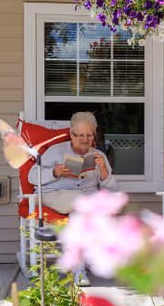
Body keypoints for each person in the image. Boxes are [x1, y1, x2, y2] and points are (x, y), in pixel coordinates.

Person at [28, 111, 116, 286]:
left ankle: (81, 266)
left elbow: (111, 189)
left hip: (83, 201)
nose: (84, 139)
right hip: (54, 193)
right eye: (80, 135)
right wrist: (55, 172)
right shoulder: (55, 151)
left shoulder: (99, 155)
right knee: (82, 204)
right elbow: (32, 176)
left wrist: (104, 172)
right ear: (71, 134)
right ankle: (81, 268)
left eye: (89, 135)